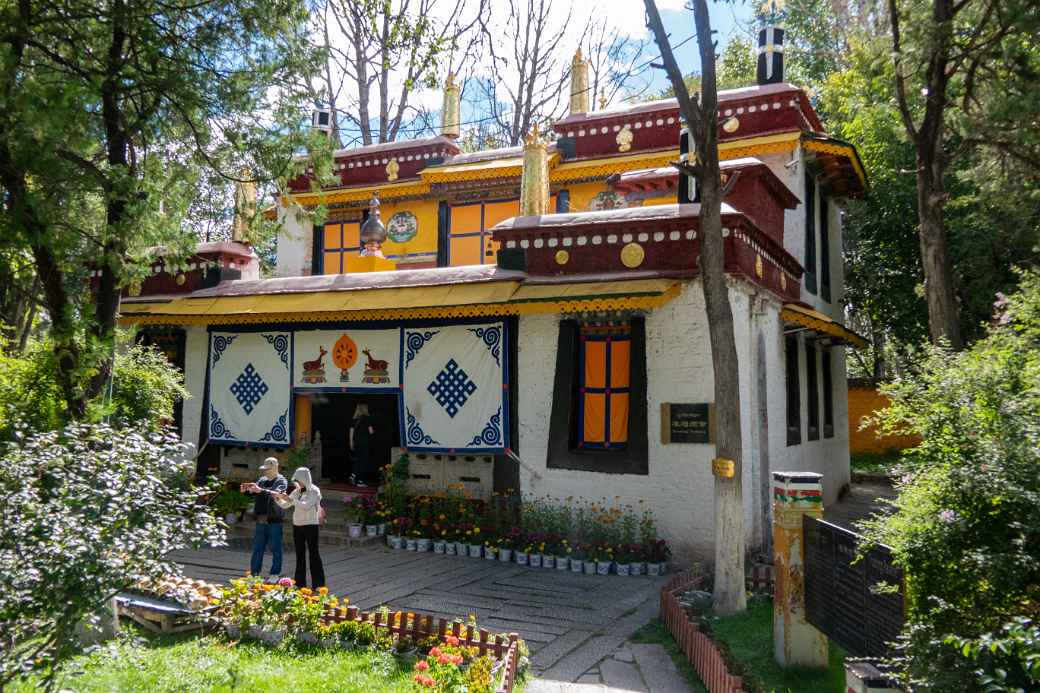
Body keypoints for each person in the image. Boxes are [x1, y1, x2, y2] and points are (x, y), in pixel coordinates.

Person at [272, 467, 326, 589]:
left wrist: (291, 499)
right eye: (295, 480)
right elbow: (286, 505)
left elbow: (306, 506)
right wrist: (277, 498)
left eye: (298, 480)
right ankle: (300, 584)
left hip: (311, 525)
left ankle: (318, 585)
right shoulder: (297, 491)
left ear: (304, 479)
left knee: (314, 554)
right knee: (299, 555)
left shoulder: (314, 491)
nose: (296, 482)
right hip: (297, 525)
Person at [241, 457, 287, 579]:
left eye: (268, 469)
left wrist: (259, 490)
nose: (266, 471)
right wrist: (246, 491)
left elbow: (276, 494)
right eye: (265, 469)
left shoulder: (281, 480)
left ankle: (274, 574)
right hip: (261, 520)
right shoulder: (261, 480)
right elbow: (256, 492)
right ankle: (254, 573)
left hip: (275, 520)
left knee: (276, 548)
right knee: (257, 548)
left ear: (275, 467)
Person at [349, 403, 375, 487]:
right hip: (364, 443)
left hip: (356, 443)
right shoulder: (367, 418)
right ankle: (360, 481)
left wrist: (351, 443)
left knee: (357, 460)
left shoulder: (354, 419)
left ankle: (353, 475)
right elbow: (371, 431)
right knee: (363, 462)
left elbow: (351, 432)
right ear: (365, 409)